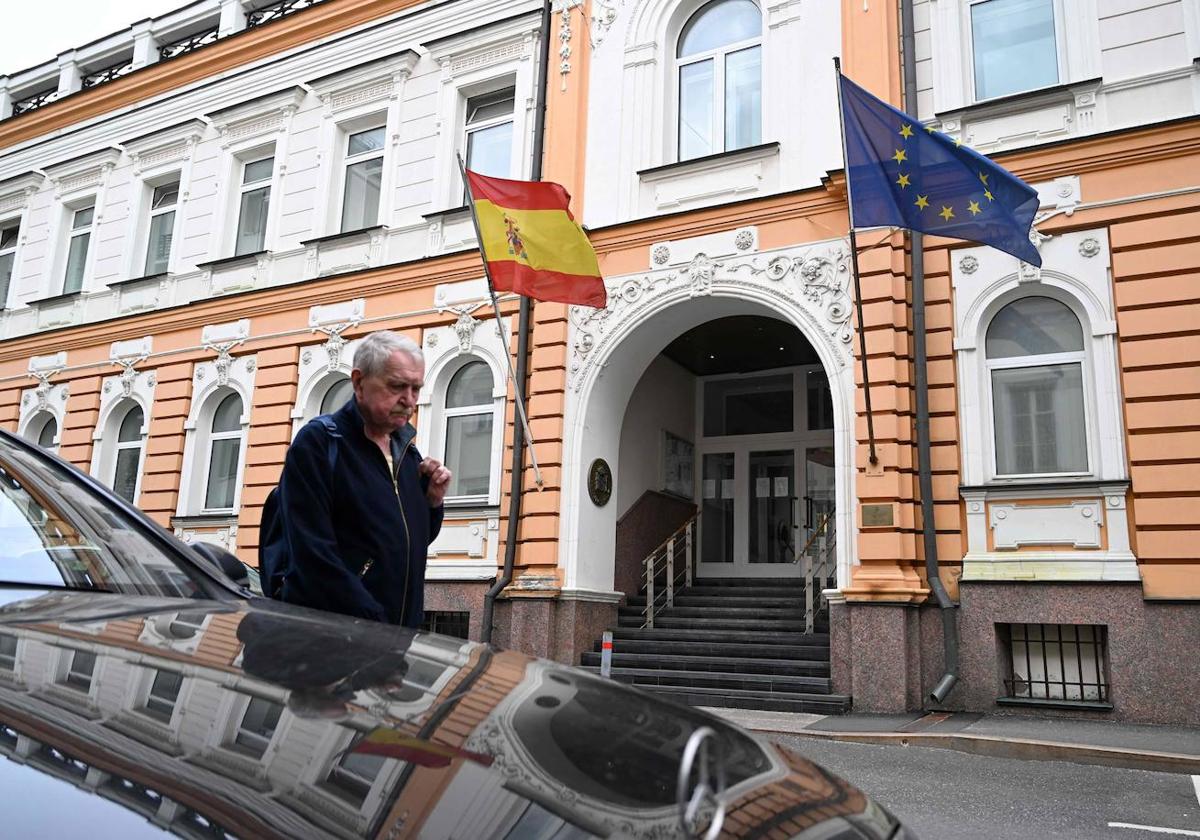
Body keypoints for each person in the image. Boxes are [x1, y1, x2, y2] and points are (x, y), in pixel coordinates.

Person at [275, 330, 451, 627]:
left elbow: (407, 542)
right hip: (336, 639)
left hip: (397, 637)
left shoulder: (408, 455)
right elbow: (312, 554)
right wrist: (373, 622)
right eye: (397, 386)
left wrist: (432, 503)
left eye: (416, 389)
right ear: (359, 382)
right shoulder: (320, 443)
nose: (409, 400)